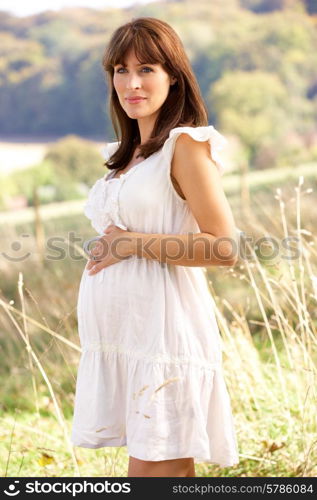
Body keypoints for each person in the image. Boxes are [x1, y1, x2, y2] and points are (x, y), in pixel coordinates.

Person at [71, 16, 240, 478]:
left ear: (173, 76)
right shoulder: (130, 157)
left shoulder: (185, 146)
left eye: (146, 69)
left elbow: (224, 248)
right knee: (152, 474)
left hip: (163, 339)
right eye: (120, 71)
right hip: (128, 342)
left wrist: (130, 244)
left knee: (154, 474)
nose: (131, 82)